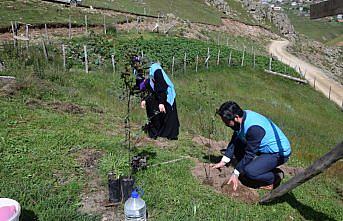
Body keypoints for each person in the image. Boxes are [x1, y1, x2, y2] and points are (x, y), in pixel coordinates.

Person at [212, 101, 291, 190]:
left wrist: (235, 173)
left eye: (227, 122)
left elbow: (250, 153)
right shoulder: (242, 118)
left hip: (278, 153)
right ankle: (251, 168)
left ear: (236, 117)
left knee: (250, 172)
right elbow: (235, 140)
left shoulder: (254, 128)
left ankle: (275, 177)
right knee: (239, 144)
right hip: (263, 146)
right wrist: (224, 161)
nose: (225, 124)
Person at [132, 56, 180, 140]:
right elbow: (142, 86)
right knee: (152, 111)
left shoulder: (156, 69)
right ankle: (155, 133)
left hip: (166, 92)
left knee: (168, 114)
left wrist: (161, 102)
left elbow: (161, 85)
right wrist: (143, 99)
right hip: (153, 92)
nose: (136, 65)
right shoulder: (140, 72)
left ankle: (169, 136)